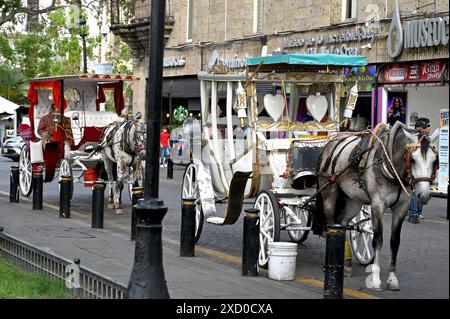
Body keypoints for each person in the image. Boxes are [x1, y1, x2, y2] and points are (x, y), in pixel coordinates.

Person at [408, 117, 431, 224]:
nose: (428, 128)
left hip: (424, 170)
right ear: (418, 129)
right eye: (426, 127)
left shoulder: (427, 139)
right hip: (414, 169)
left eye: (428, 126)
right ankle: (413, 213)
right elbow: (410, 152)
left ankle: (417, 211)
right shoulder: (413, 138)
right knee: (414, 191)